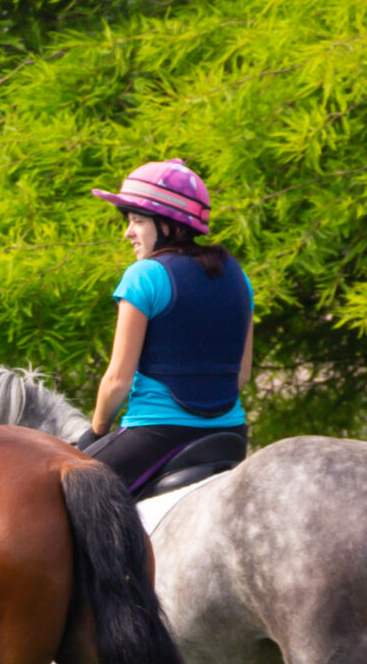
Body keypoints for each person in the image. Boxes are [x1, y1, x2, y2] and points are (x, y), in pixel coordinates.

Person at [79, 158, 255, 491]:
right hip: (230, 435)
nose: (128, 232)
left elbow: (118, 380)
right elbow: (241, 375)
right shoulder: (238, 277)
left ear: (170, 226)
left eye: (138, 221)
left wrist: (96, 433)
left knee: (59, 492)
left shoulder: (144, 275)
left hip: (157, 435)